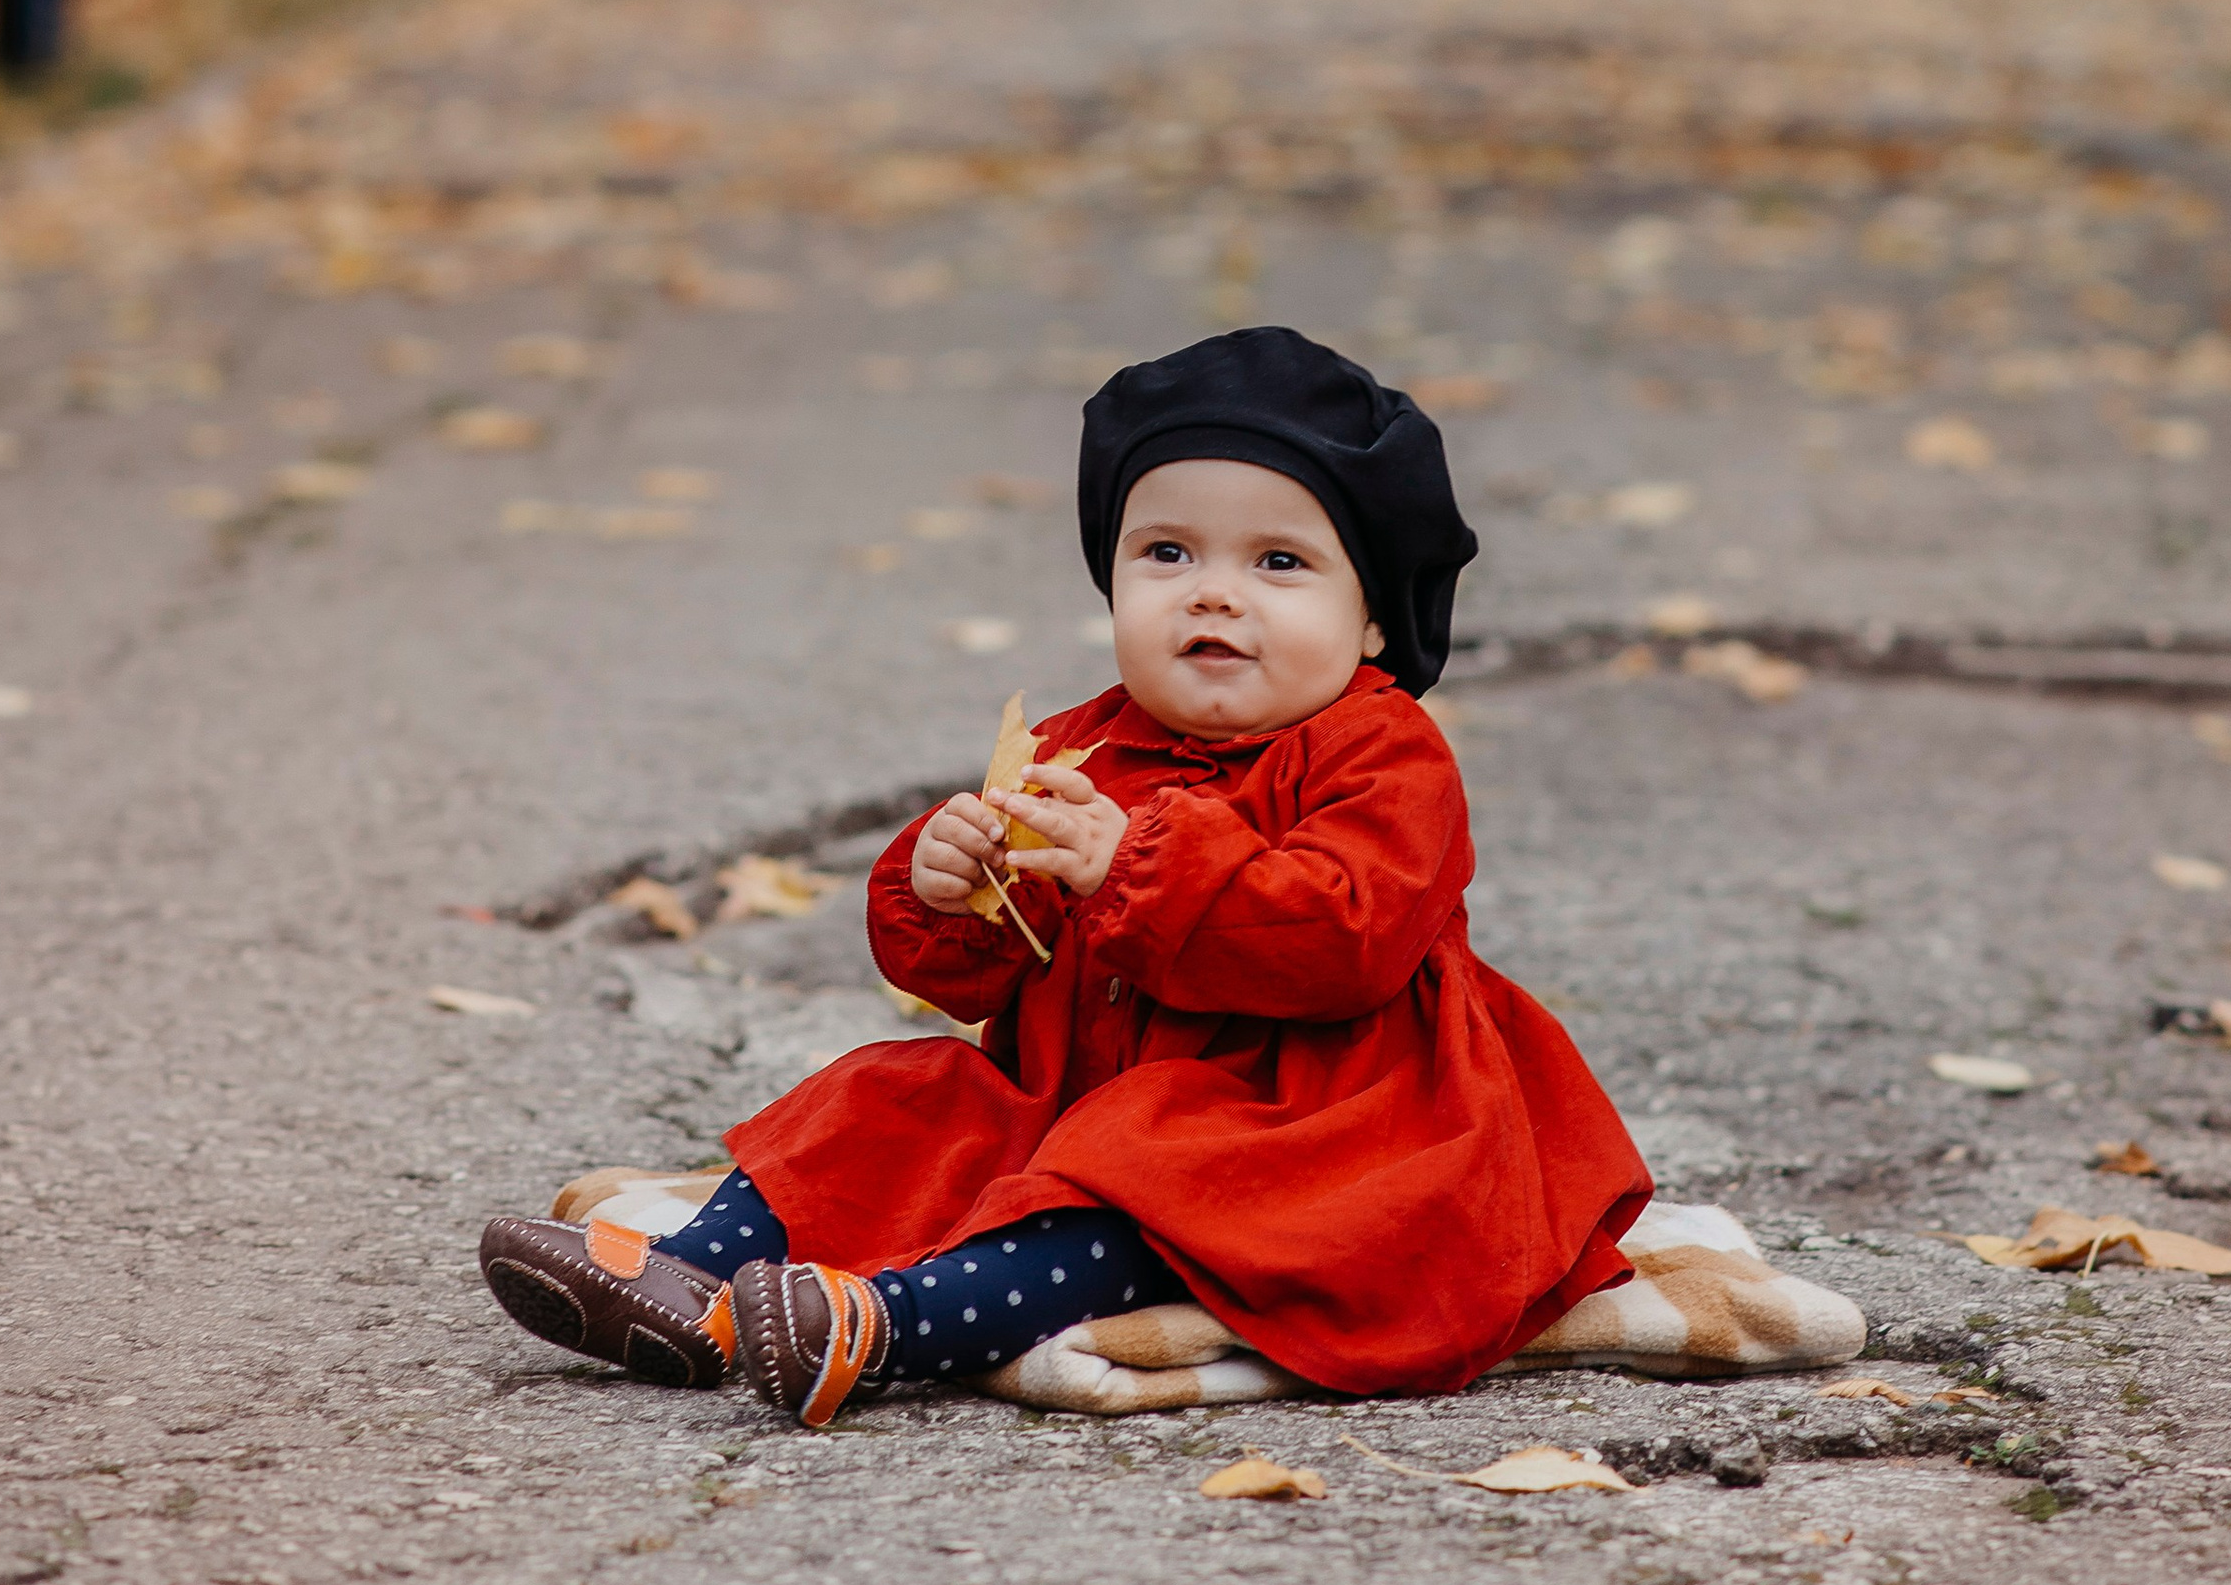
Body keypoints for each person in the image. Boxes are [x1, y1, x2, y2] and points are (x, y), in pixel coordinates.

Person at [479, 325, 1652, 1426]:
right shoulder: (1080, 744)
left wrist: (1136, 863)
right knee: (890, 1098)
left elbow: (1346, 938)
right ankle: (688, 1285)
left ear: (1374, 620)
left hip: (1311, 1130)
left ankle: (887, 1322)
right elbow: (987, 974)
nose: (1212, 590)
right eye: (1166, 552)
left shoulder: (1382, 753)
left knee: (1139, 1167)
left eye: (1279, 560)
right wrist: (949, 889)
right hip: (1075, 1094)